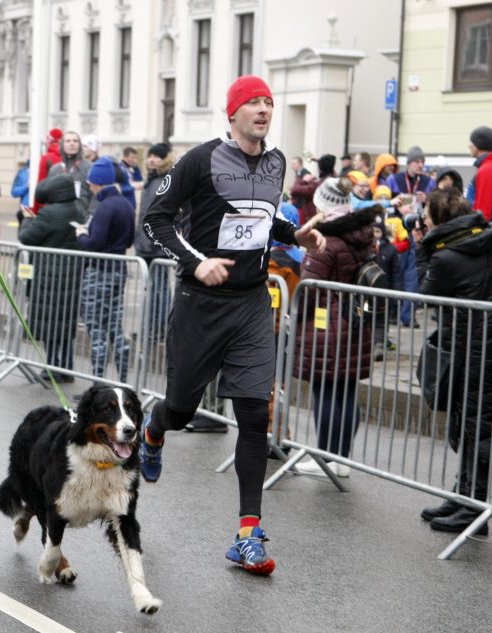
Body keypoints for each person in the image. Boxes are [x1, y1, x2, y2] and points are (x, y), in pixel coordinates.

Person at [140, 74, 325, 575]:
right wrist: (197, 262)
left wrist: (296, 237)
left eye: (268, 102)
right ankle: (154, 431)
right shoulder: (200, 160)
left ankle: (248, 534)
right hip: (201, 302)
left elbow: (262, 221)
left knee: (253, 416)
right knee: (180, 410)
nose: (264, 109)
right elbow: (155, 220)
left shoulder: (276, 161)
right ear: (233, 113)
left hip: (250, 304)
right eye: (253, 103)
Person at [415, 188, 492, 534]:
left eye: (427, 218)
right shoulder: (485, 238)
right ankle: (464, 496)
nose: (423, 223)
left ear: (440, 220)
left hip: (470, 345)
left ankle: (473, 506)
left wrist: (422, 247)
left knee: (474, 421)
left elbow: (425, 293)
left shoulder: (447, 256)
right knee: (476, 417)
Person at [292, 178, 375, 478]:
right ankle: (342, 459)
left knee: (325, 391)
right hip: (356, 319)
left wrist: (296, 317)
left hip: (327, 324)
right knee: (347, 391)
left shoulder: (323, 241)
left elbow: (309, 289)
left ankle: (325, 458)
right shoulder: (363, 235)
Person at [76, 157, 136, 382]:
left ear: (97, 183)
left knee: (96, 329)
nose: (89, 187)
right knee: (115, 327)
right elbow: (129, 241)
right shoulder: (125, 204)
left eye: (91, 182)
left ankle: (98, 384)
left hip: (99, 273)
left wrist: (82, 234)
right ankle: (122, 381)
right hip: (118, 270)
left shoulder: (105, 207)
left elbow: (94, 244)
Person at [18, 174, 83, 382]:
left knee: (50, 322)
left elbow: (26, 238)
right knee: (65, 321)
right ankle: (66, 368)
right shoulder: (78, 209)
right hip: (71, 274)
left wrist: (27, 219)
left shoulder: (49, 213)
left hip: (48, 274)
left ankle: (51, 368)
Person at [135, 143, 174, 344]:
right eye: (150, 155)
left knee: (160, 290)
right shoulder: (151, 180)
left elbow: (163, 215)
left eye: (157, 156)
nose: (152, 159)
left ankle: (159, 329)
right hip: (145, 244)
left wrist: (154, 241)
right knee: (150, 289)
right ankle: (150, 327)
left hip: (157, 247)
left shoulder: (165, 181)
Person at [48, 131, 93, 219]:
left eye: (75, 141)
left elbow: (95, 196)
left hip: (82, 220)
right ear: (62, 145)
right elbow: (49, 196)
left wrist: (89, 217)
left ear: (80, 145)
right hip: (59, 220)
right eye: (68, 141)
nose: (72, 144)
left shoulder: (90, 168)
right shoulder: (55, 170)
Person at [291, 153, 335, 225]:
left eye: (294, 163)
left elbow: (294, 190)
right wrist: (320, 161)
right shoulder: (333, 180)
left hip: (315, 219)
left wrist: (304, 180)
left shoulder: (316, 184)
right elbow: (331, 170)